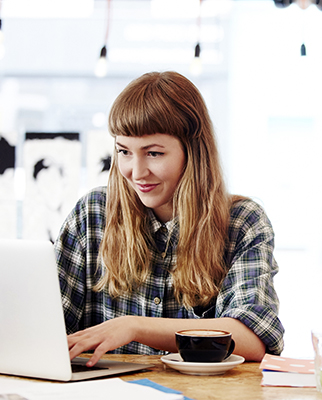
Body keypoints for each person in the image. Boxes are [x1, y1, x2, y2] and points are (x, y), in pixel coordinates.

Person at [55, 71, 284, 367]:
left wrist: (134, 327)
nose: (136, 172)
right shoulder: (92, 214)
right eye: (124, 151)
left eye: (153, 153)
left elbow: (252, 338)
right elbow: (47, 325)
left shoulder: (242, 222)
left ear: (192, 152)